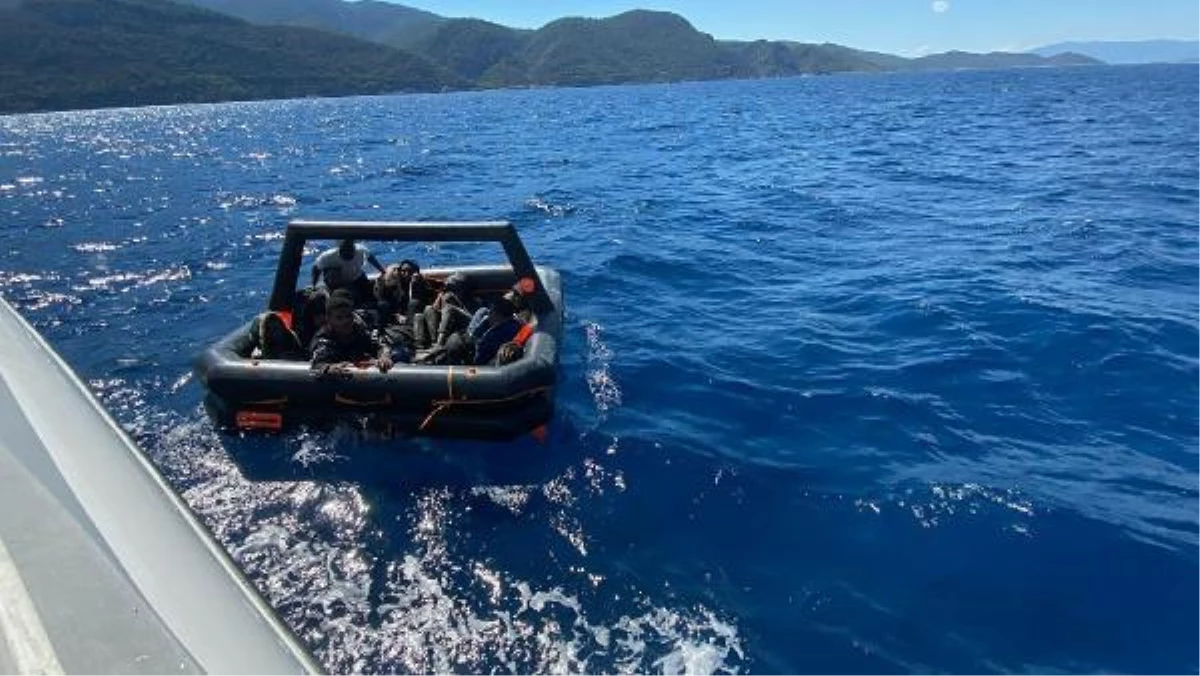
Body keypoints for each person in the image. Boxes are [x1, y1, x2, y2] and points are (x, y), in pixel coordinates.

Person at [309, 290, 400, 373]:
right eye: (339, 318)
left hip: (360, 376)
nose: (346, 321)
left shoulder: (359, 330)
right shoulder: (323, 339)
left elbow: (379, 344)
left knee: (400, 354)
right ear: (329, 319)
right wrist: (329, 368)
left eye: (348, 316)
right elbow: (316, 364)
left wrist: (384, 356)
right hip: (337, 383)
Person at [413, 272, 478, 351]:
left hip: (463, 325)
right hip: (445, 326)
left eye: (454, 288)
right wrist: (441, 295)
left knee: (449, 308)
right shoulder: (446, 296)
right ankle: (423, 345)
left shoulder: (472, 300)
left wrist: (456, 304)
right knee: (427, 309)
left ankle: (439, 343)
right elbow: (434, 310)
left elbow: (473, 319)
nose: (452, 291)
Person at [311, 239, 384, 304]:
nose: (348, 252)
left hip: (357, 278)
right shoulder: (327, 256)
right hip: (338, 284)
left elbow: (370, 257)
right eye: (345, 249)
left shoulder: (361, 250)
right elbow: (316, 267)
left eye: (350, 249)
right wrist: (314, 285)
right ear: (340, 248)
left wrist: (382, 271)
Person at [373, 259, 431, 328]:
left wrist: (414, 285)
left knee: (413, 303)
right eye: (403, 271)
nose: (406, 274)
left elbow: (420, 299)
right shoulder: (397, 283)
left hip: (414, 314)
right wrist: (397, 315)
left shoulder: (420, 282)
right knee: (382, 304)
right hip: (398, 315)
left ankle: (410, 328)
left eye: (409, 271)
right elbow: (383, 297)